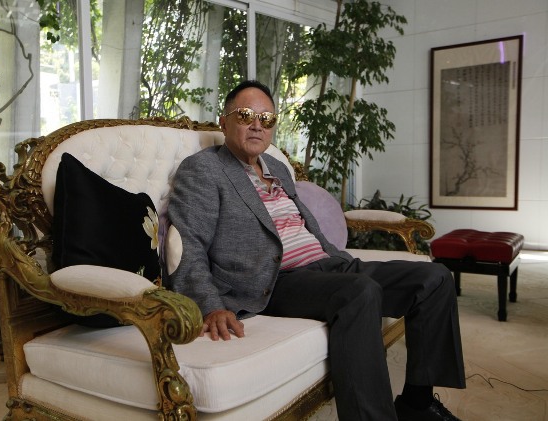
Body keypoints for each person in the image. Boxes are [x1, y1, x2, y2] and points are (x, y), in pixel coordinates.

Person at [165, 80, 465, 421]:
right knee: (359, 292)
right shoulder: (204, 169)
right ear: (224, 121)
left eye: (266, 118)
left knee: (435, 278)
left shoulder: (276, 167)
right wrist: (210, 305)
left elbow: (305, 226)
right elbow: (189, 242)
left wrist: (337, 256)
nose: (257, 125)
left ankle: (417, 404)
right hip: (275, 281)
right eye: (246, 115)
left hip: (329, 266)